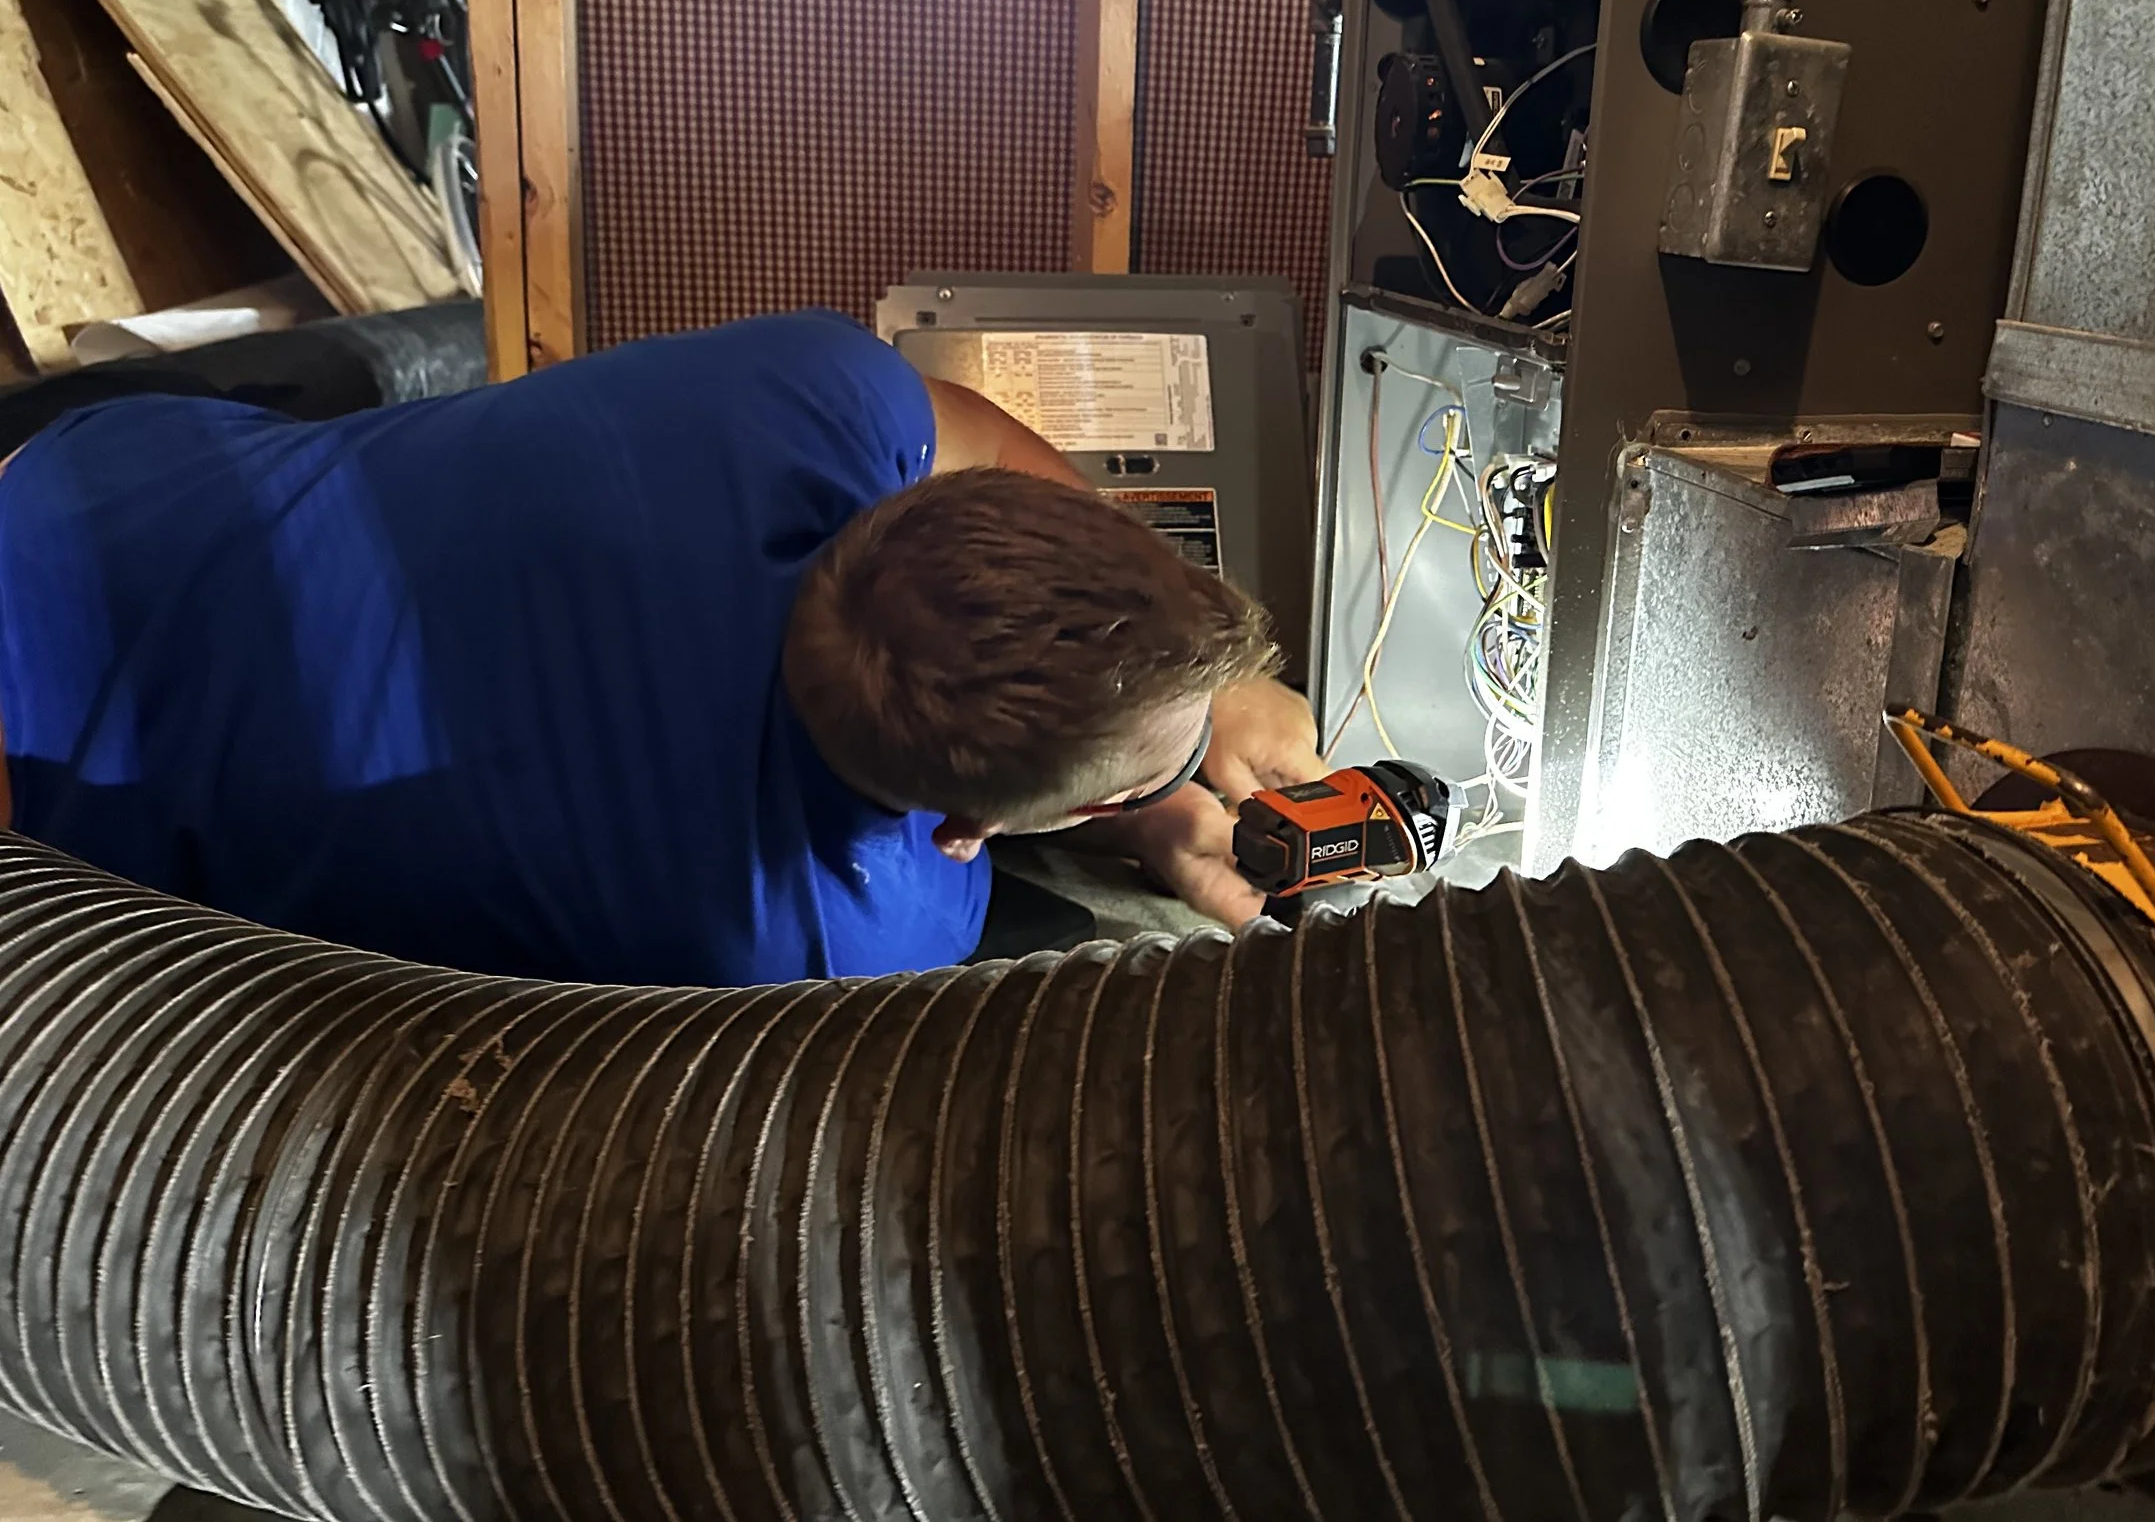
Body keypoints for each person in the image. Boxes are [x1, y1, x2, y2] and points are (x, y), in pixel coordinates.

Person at [0, 310, 1326, 985]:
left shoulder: (810, 396)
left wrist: (1178, 731)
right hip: (41, 820)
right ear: (969, 830)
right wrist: (1151, 784)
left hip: (79, 493)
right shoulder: (842, 942)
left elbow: (964, 428)